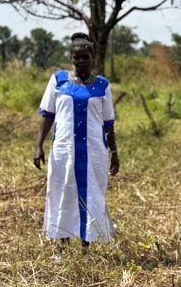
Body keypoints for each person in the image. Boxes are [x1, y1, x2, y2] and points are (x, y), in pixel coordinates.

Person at [34, 32, 118, 244]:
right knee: (63, 191)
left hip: (94, 151)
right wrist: (38, 146)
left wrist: (115, 153)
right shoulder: (58, 80)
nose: (81, 61)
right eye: (76, 57)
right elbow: (47, 116)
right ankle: (62, 242)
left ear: (93, 58)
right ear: (71, 58)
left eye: (85, 57)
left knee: (91, 194)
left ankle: (86, 243)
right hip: (64, 150)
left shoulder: (102, 86)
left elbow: (108, 123)